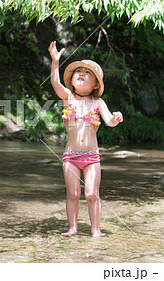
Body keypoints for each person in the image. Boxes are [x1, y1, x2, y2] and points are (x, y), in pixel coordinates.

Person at [48, 41, 123, 237]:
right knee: (73, 193)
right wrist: (55, 62)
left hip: (91, 156)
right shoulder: (68, 98)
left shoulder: (97, 102)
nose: (81, 73)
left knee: (91, 194)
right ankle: (72, 228)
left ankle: (95, 230)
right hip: (70, 155)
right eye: (78, 71)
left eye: (87, 72)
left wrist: (115, 118)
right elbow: (55, 83)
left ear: (96, 84)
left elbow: (109, 121)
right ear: (72, 80)